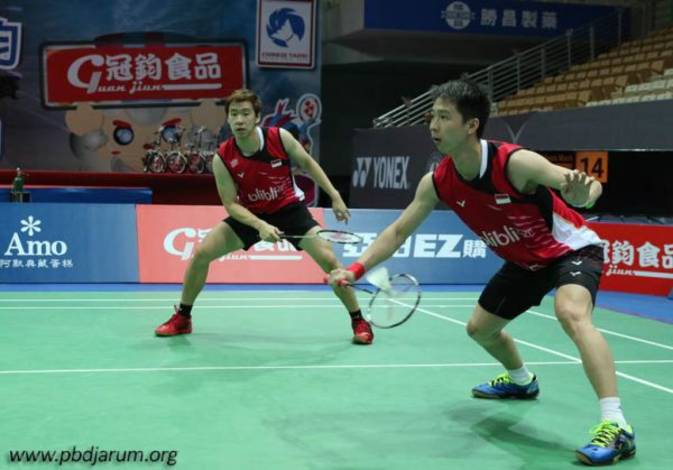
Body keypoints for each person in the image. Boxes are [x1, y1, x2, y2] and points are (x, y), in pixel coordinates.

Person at [328, 79, 635, 465]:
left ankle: (616, 425)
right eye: (431, 117)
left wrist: (582, 195)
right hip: (524, 262)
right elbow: (398, 231)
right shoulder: (438, 181)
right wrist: (356, 268)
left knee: (571, 313)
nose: (433, 126)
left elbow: (584, 185)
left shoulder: (513, 163)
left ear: (471, 125)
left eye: (444, 117)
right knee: (480, 329)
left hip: (570, 250)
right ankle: (522, 381)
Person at [155, 88, 373, 345]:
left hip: (289, 209)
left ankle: (358, 320)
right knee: (202, 253)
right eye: (234, 114)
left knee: (329, 259)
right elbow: (230, 204)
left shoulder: (278, 138)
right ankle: (183, 317)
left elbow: (308, 164)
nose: (239, 120)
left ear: (257, 117)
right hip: (251, 214)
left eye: (245, 113)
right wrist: (259, 225)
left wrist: (334, 195)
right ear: (228, 118)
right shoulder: (223, 157)